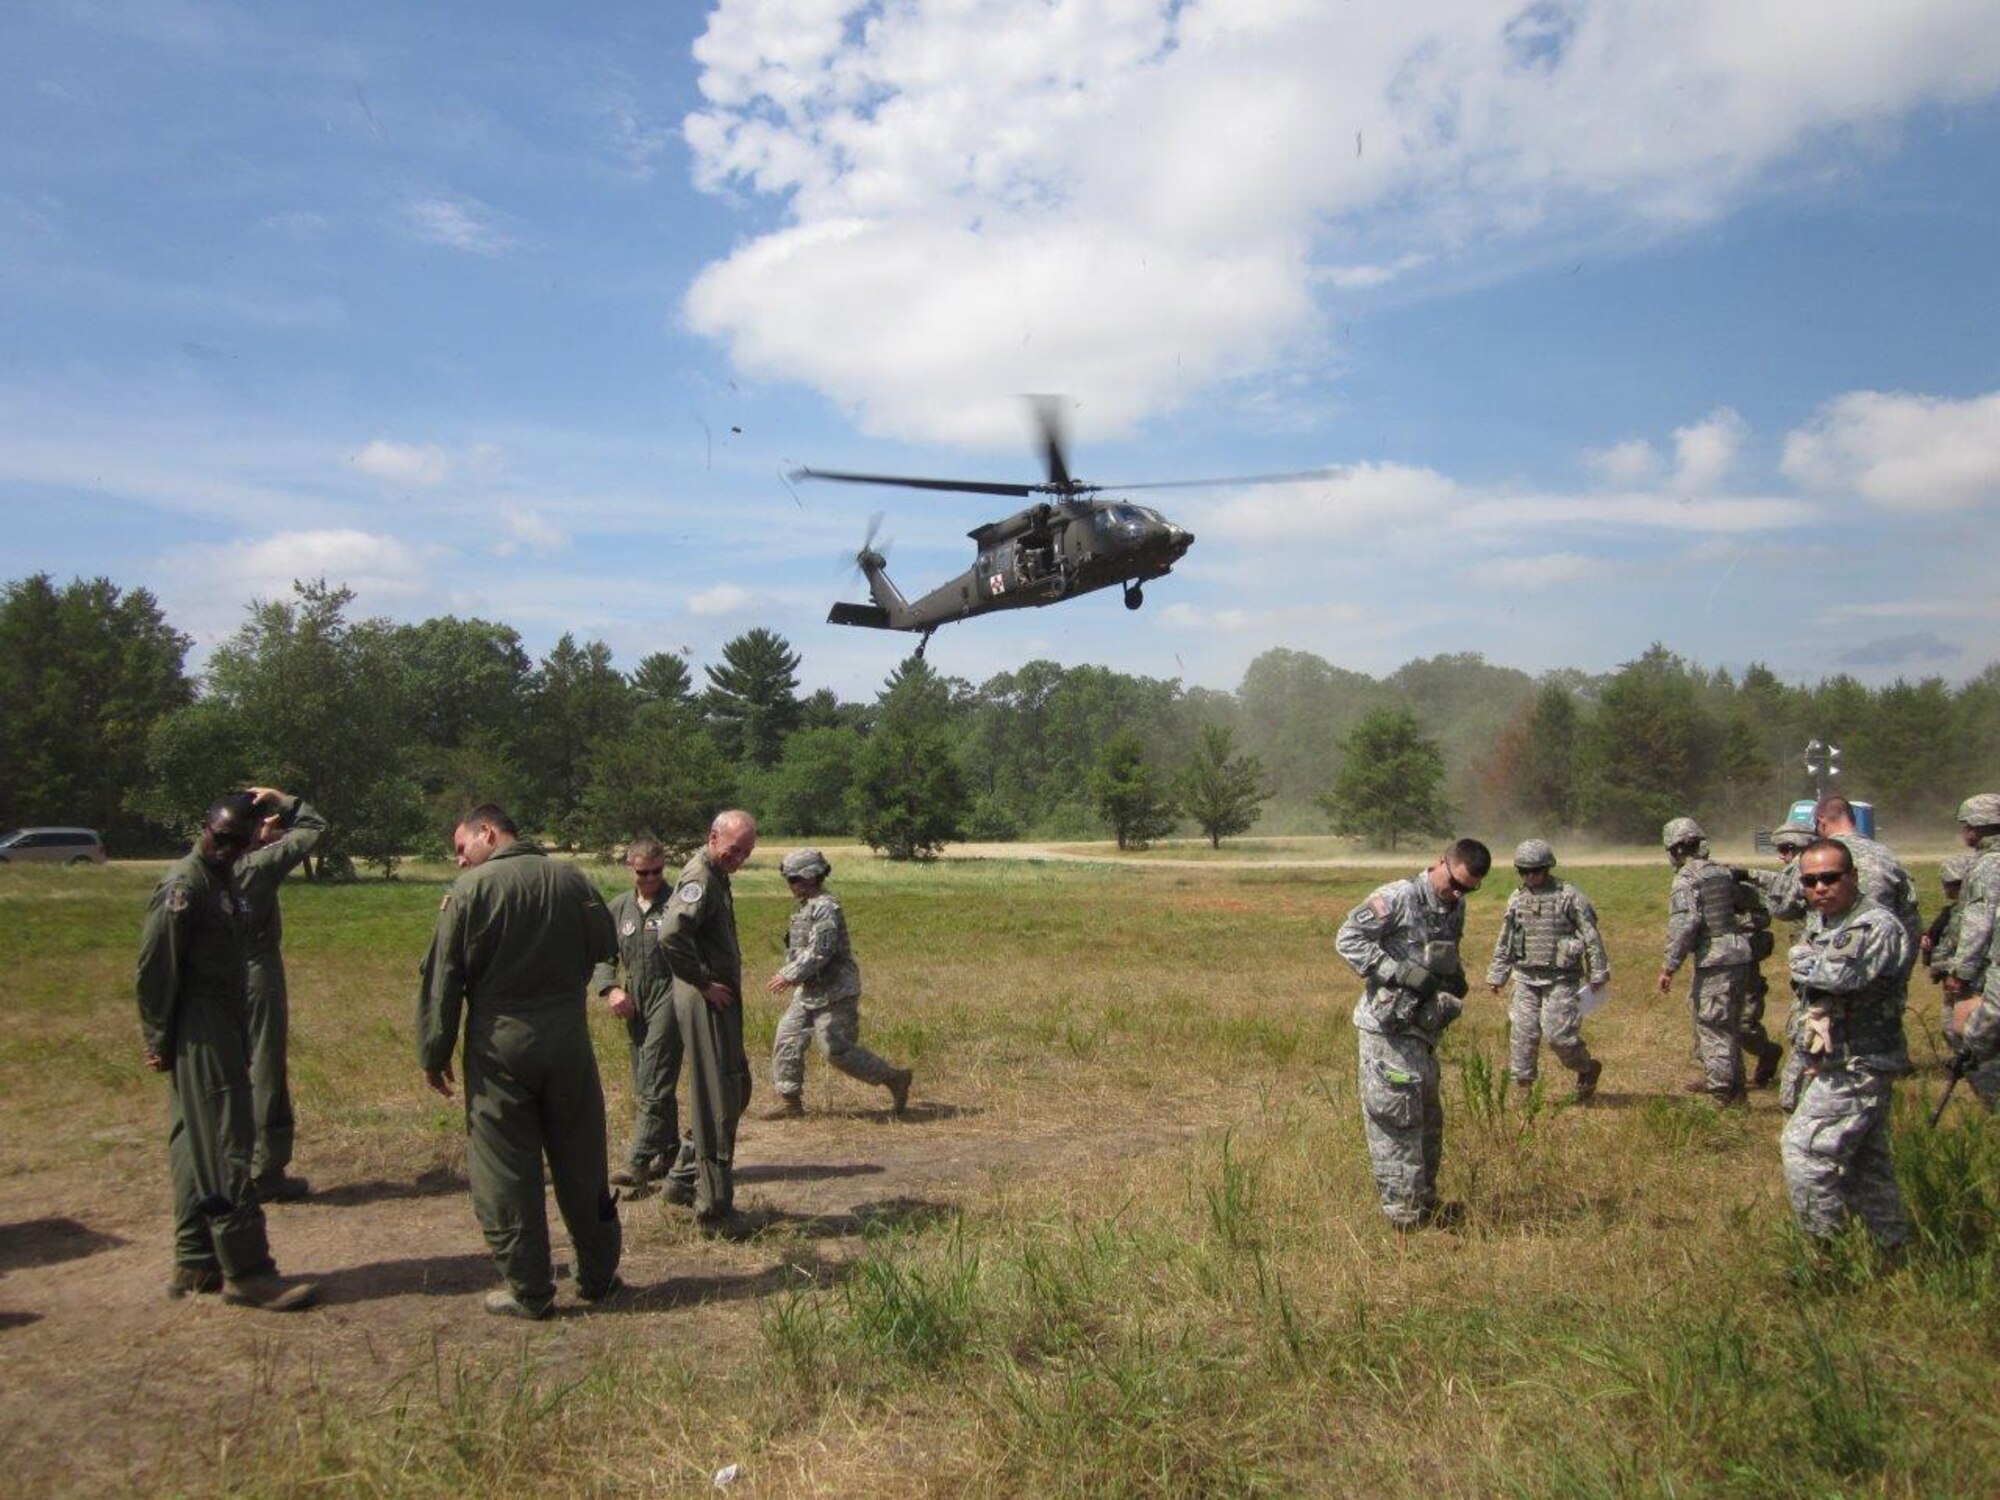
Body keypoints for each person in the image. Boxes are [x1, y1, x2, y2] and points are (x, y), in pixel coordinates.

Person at [417, 804, 622, 1318]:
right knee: (581, 1156)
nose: (462, 861)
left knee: (505, 1165)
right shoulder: (573, 881)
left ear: (487, 832)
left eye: (463, 847)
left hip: (499, 1042)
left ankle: (530, 1289)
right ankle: (598, 1274)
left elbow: (444, 979)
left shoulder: (469, 892)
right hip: (568, 1038)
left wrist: (434, 1051)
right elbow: (605, 945)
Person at [135, 791, 318, 1311]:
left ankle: (195, 1260)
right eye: (220, 839)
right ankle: (248, 1270)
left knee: (195, 1146)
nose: (226, 850)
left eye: (237, 843)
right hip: (200, 1023)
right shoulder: (184, 887)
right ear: (204, 828)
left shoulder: (226, 882)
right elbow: (155, 970)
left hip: (226, 1017)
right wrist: (158, 1038)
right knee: (226, 1146)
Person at [1335, 838, 1490, 1230]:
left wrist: (1453, 980)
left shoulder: (1455, 907)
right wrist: (1396, 971)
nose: (1456, 893)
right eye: (1454, 884)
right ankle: (1404, 1219)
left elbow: (1444, 952)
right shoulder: (1398, 896)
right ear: (1441, 861)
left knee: (1427, 1121)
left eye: (1467, 889)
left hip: (1423, 1030)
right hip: (1387, 1030)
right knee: (1396, 1122)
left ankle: (1425, 1202)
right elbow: (1348, 939)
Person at [1780, 838, 1912, 1257]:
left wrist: (1803, 959)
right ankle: (1892, 1252)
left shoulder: (1875, 925)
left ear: (1853, 876)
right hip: (1841, 1061)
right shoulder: (1828, 923)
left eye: (1831, 878)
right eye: (1810, 881)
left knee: (1803, 1151)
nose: (1820, 888)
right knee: (1867, 1168)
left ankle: (1827, 1253)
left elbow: (1841, 977)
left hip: (1861, 1064)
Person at [659, 810, 758, 1225]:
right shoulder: (701, 875)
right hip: (706, 999)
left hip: (715, 997)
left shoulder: (717, 872)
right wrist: (702, 983)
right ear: (713, 837)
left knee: (736, 1087)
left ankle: (682, 1177)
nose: (738, 858)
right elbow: (670, 934)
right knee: (718, 1098)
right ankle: (714, 1207)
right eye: (734, 849)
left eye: (746, 853)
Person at [761, 848, 913, 1119]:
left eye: (794, 879)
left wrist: (789, 974)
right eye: (789, 879)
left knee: (836, 1050)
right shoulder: (807, 907)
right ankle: (790, 1103)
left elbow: (822, 950)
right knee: (787, 1039)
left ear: (810, 877)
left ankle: (894, 1078)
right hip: (809, 990)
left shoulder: (826, 908)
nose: (791, 885)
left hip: (836, 991)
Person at [233, 787, 327, 1202]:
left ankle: (227, 1164)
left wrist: (254, 833)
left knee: (226, 1069)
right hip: (256, 970)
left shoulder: (205, 865)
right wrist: (281, 798)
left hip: (214, 975)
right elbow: (314, 827)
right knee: (265, 1068)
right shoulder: (257, 866)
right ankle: (265, 1172)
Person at [591, 836, 684, 1194]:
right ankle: (672, 1154)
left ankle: (638, 1160)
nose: (650, 879)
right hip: (636, 1000)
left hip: (671, 993)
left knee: (654, 1078)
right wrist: (610, 989)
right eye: (643, 872)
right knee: (647, 1079)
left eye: (657, 871)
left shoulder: (677, 903)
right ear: (630, 868)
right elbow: (604, 956)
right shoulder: (617, 909)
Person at [1485, 840, 1608, 1101]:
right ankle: (1523, 1091)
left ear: (1548, 868)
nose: (1531, 877)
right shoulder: (1517, 899)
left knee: (1558, 1036)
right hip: (1526, 978)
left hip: (1561, 979)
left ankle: (1587, 1067)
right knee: (1523, 1034)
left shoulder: (1569, 896)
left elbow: (1591, 936)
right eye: (1524, 871)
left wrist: (1597, 973)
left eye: (1536, 871)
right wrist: (1498, 975)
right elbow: (1507, 938)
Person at [1656, 816, 1757, 1105]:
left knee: (1712, 1027)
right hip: (1739, 956)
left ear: (1675, 849)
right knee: (1730, 1026)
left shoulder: (1686, 879)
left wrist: (1669, 966)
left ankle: (1721, 1095)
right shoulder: (1722, 873)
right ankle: (1737, 1094)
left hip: (1715, 961)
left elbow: (1686, 923)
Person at [1813, 795, 1921, 976]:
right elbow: (1910, 918)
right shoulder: (1886, 856)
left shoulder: (1818, 857)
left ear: (1821, 821)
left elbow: (1783, 906)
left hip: (1829, 973)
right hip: (1882, 970)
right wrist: (1901, 973)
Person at [1942, 793, 2000, 1110]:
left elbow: (1980, 922)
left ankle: (1994, 1099)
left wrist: (1961, 971)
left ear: (1975, 828)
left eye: (1965, 825)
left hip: (1989, 968)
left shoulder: (1987, 867)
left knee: (1966, 1034)